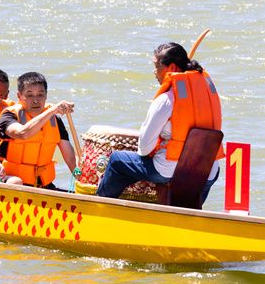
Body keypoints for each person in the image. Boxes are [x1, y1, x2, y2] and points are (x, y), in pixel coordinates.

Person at [95, 42, 225, 203]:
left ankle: (101, 206)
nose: (154, 72)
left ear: (171, 68)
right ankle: (189, 213)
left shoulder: (166, 100)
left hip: (169, 171)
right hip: (208, 172)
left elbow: (144, 148)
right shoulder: (208, 93)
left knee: (117, 161)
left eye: (156, 66)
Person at [0, 72, 77, 189]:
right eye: (29, 95)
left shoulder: (55, 120)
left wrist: (82, 179)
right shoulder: (9, 116)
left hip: (42, 185)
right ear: (19, 96)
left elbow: (70, 158)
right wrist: (51, 111)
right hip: (9, 181)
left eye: (40, 95)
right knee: (15, 182)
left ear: (46, 96)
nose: (36, 100)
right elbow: (22, 133)